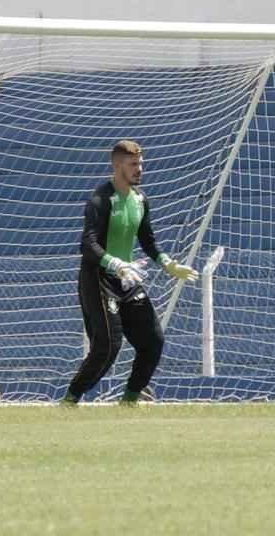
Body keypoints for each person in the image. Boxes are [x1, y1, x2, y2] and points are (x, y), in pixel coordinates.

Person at [62, 140, 198, 406]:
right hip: (99, 279)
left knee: (153, 342)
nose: (140, 169)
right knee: (108, 347)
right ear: (117, 166)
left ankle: (130, 400)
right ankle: (70, 400)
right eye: (133, 164)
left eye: (141, 163)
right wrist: (116, 264)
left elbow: (148, 241)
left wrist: (169, 264)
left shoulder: (140, 199)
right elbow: (87, 244)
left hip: (129, 278)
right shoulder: (101, 199)